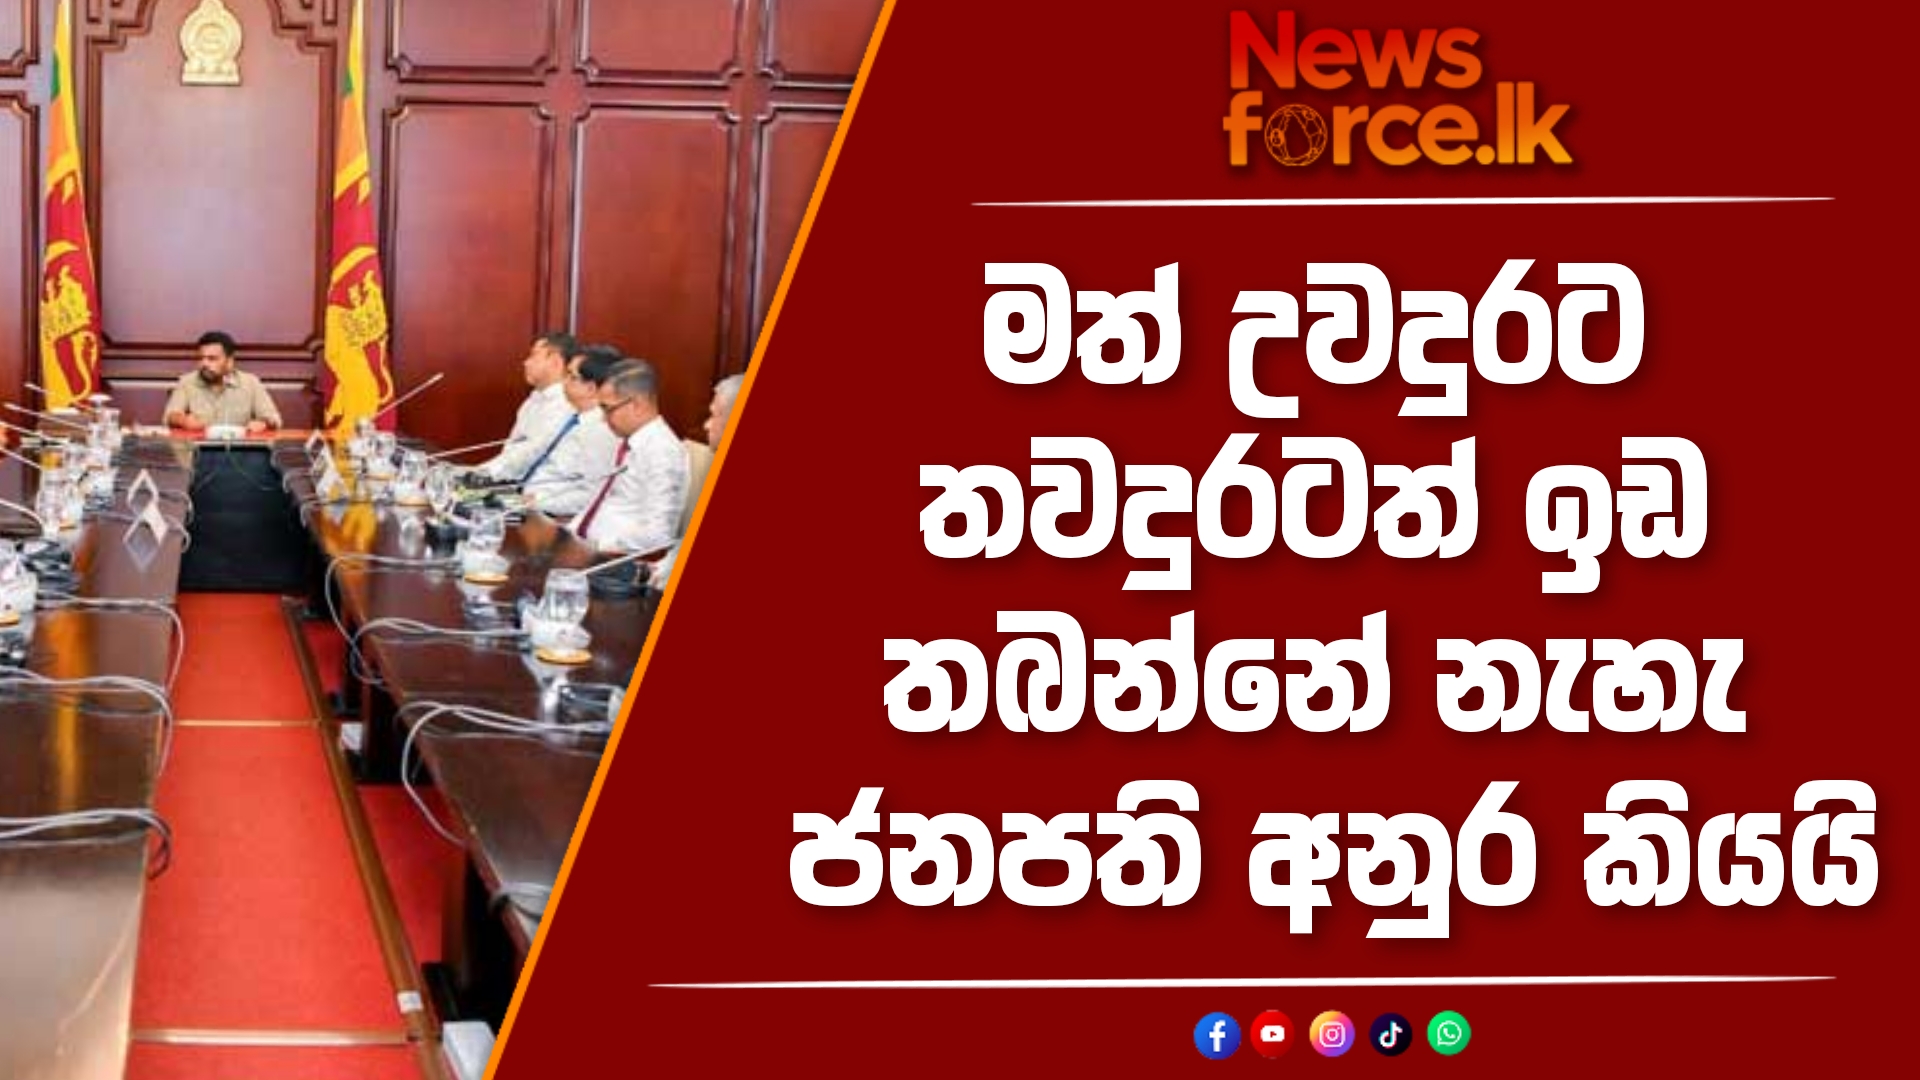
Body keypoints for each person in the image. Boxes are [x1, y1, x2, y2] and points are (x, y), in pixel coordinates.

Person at [572, 358, 688, 563]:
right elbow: (602, 503)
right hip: (585, 547)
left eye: (607, 409)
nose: (603, 418)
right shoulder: (630, 442)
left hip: (612, 559)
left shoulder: (662, 451)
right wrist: (568, 534)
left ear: (636, 405)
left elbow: (658, 535)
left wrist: (597, 546)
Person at [520, 346, 622, 517]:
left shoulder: (601, 431)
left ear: (591, 388)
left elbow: (591, 496)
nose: (563, 381)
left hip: (554, 515)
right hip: (529, 501)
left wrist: (536, 502)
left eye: (571, 376)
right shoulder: (572, 417)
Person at [475, 332, 579, 480]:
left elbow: (530, 452)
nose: (526, 363)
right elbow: (513, 449)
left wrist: (481, 473)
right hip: (512, 481)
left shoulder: (565, 404)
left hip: (539, 488)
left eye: (533, 356)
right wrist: (479, 472)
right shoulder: (534, 398)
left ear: (555, 361)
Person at [164, 331, 282, 433]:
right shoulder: (186, 381)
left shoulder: (250, 382)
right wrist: (183, 420)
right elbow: (170, 416)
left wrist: (264, 423)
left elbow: (274, 419)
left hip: (239, 449)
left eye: (212, 359)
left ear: (230, 361)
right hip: (198, 449)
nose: (204, 364)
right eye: (200, 358)